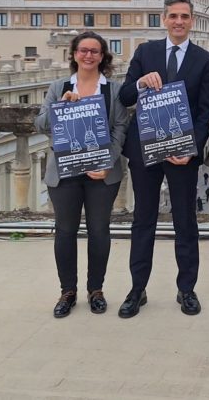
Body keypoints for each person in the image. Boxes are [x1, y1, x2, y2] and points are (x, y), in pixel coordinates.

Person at [118, 0, 209, 318]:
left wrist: (190, 148)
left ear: (191, 21)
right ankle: (137, 289)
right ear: (164, 19)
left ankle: (186, 289)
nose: (178, 21)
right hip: (145, 150)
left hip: (182, 156)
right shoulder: (146, 52)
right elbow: (125, 94)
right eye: (173, 16)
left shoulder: (204, 59)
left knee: (185, 221)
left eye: (184, 16)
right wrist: (141, 82)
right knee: (142, 220)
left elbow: (205, 112)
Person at [35, 31, 130, 318]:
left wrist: (106, 161)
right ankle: (67, 291)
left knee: (99, 231)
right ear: (74, 54)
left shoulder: (113, 90)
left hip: (102, 173)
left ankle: (96, 290)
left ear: (103, 57)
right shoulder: (58, 86)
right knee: (65, 231)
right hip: (64, 172)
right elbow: (39, 124)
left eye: (95, 51)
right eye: (83, 50)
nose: (89, 55)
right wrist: (59, 107)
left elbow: (120, 128)